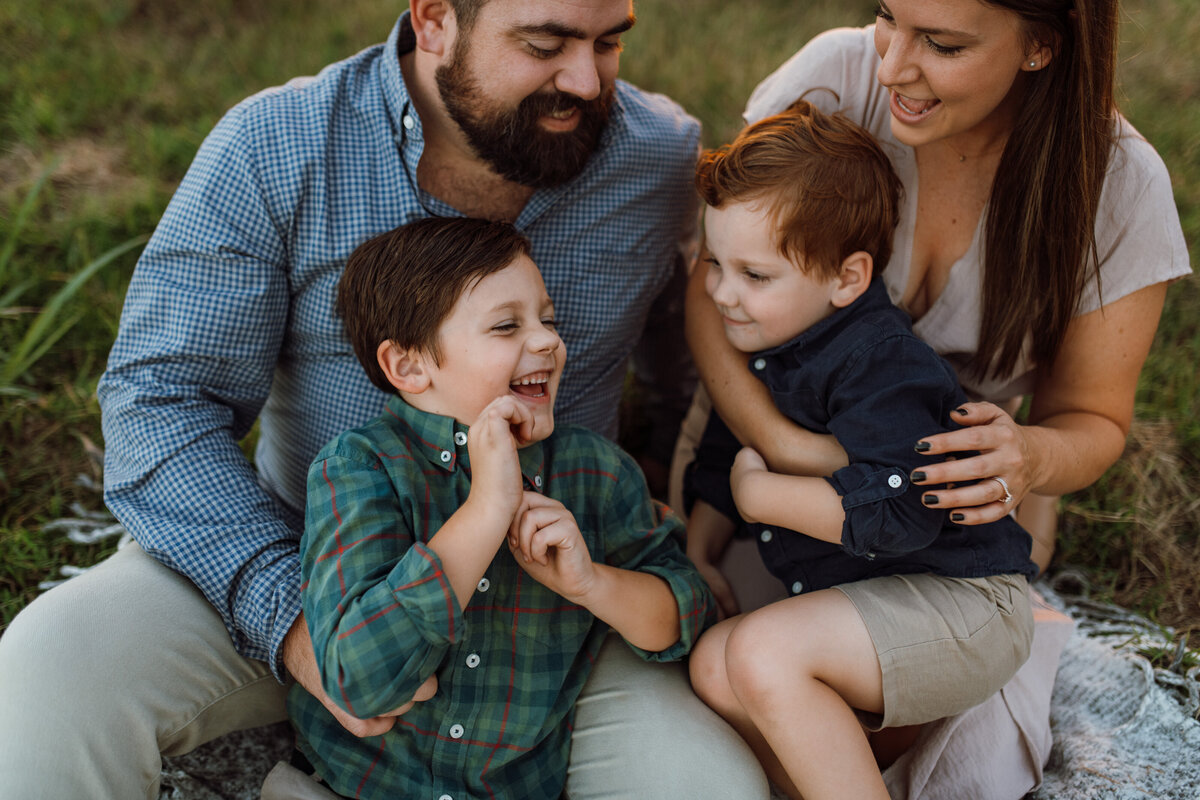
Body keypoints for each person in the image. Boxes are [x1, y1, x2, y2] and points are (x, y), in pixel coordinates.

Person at [0, 2, 771, 798]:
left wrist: (684, 537)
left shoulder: (658, 158)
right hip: (310, 557)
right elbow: (159, 397)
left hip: (556, 601)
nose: (586, 79)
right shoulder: (277, 145)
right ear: (435, 18)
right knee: (53, 665)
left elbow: (693, 381)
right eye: (544, 45)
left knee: (707, 784)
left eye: (609, 42)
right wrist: (297, 627)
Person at [681, 1, 1191, 797]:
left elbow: (1093, 419)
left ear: (1040, 48)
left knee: (779, 666)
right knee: (715, 667)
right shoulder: (836, 82)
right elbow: (718, 276)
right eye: (888, 15)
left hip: (947, 502)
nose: (891, 67)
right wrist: (774, 453)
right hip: (764, 434)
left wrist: (1028, 458)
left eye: (943, 44)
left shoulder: (1116, 184)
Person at [284, 217, 714, 799]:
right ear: (409, 366)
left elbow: (686, 615)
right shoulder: (360, 469)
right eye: (507, 325)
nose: (546, 341)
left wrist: (592, 584)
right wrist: (486, 511)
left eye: (548, 319)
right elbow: (360, 683)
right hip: (357, 787)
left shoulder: (595, 474)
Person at [682, 101, 1037, 800]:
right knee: (717, 666)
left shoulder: (881, 364)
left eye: (754, 276)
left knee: (762, 651)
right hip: (885, 597)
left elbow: (902, 511)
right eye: (714, 263)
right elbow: (732, 451)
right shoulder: (772, 344)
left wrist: (764, 496)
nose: (722, 293)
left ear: (847, 277)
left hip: (965, 603)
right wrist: (699, 548)